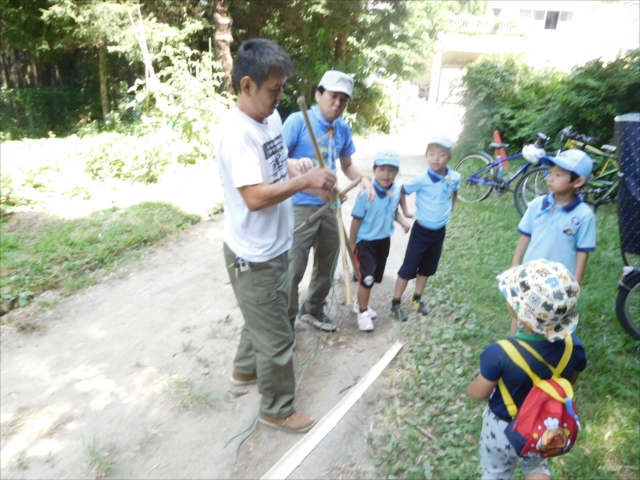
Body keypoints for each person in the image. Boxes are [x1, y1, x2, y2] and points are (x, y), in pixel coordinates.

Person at [217, 38, 336, 433]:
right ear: (246, 85)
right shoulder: (237, 134)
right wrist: (305, 179)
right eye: (274, 89)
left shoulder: (267, 117)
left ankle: (243, 372)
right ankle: (277, 409)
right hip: (254, 255)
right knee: (277, 334)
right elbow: (253, 197)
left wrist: (292, 165)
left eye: (282, 87)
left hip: (273, 245)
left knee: (262, 317)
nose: (280, 96)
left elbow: (270, 161)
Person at [467, 259, 588, 479]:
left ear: (521, 312)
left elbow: (478, 393)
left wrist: (470, 388)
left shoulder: (500, 352)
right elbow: (569, 382)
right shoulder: (574, 347)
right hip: (542, 425)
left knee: (495, 472)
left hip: (502, 429)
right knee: (535, 465)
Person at [283, 70, 373, 332]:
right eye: (333, 97)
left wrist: (363, 178)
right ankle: (285, 323)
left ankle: (312, 308)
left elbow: (347, 165)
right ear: (318, 94)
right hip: (299, 205)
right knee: (293, 266)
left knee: (327, 260)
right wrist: (294, 162)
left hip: (330, 205)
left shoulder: (342, 128)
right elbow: (275, 159)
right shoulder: (298, 121)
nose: (337, 104)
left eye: (343, 100)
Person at [509, 149, 595, 335]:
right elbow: (525, 235)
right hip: (529, 275)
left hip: (558, 283)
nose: (550, 178)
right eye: (550, 172)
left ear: (578, 182)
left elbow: (582, 252)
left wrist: (575, 286)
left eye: (559, 174)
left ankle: (541, 356)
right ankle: (514, 347)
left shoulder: (584, 215)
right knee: (520, 312)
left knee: (548, 322)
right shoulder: (537, 204)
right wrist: (515, 264)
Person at [391, 137, 460, 321]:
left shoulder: (454, 177)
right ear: (426, 156)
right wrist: (405, 210)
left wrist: (451, 207)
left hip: (439, 233)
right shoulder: (421, 179)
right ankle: (396, 303)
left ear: (449, 157)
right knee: (409, 267)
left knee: (427, 268)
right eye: (431, 154)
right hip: (421, 232)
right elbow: (402, 190)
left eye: (441, 154)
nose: (436, 158)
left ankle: (417, 299)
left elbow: (455, 189)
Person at [349, 150, 411, 331]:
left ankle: (360, 304)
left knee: (374, 277)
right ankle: (362, 313)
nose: (387, 174)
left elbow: (393, 211)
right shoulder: (366, 192)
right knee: (366, 279)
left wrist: (402, 222)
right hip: (365, 243)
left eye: (392, 170)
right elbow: (356, 219)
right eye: (382, 169)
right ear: (374, 170)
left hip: (383, 241)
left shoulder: (395, 191)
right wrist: (352, 243)